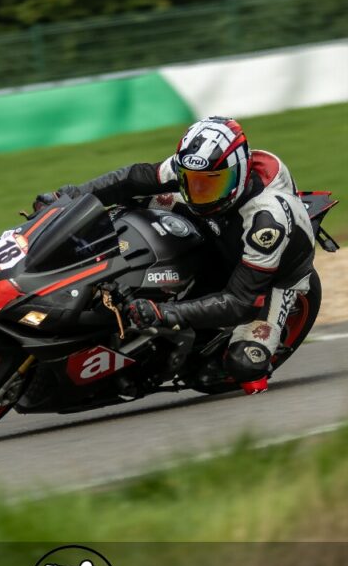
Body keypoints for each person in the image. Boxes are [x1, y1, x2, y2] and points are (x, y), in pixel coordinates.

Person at [33, 116, 316, 394]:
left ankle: (242, 353)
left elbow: (240, 302)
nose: (200, 192)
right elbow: (131, 178)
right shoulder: (192, 170)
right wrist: (68, 198)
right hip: (219, 227)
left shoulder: (266, 222)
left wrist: (163, 312)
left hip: (271, 278)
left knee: (243, 364)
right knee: (135, 200)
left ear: (239, 175)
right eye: (192, 182)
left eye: (213, 183)